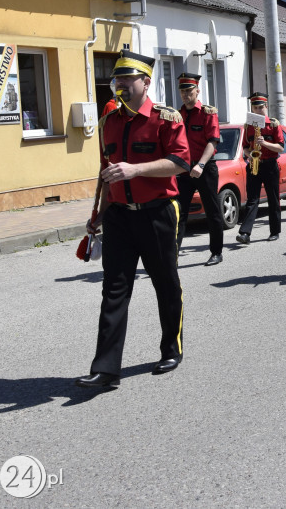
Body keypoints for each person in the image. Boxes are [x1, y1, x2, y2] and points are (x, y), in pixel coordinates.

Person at [76, 51, 190, 388]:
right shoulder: (109, 121)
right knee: (113, 290)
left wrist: (136, 169)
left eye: (128, 79)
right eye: (118, 79)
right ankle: (106, 370)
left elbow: (180, 163)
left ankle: (172, 348)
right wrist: (98, 213)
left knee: (165, 284)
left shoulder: (166, 118)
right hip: (119, 217)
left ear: (145, 82)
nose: (121, 85)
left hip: (158, 212)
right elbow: (105, 171)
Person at [175, 73, 224, 266]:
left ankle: (216, 252)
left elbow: (212, 142)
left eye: (189, 90)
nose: (186, 94)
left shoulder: (207, 113)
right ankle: (173, 255)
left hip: (205, 166)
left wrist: (201, 164)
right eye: (183, 91)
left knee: (212, 210)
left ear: (197, 90)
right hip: (184, 168)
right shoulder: (178, 114)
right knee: (179, 212)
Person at [236, 93, 285, 244]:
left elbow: (280, 148)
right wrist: (250, 154)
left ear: (266, 107)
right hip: (254, 164)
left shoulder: (274, 124)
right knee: (252, 200)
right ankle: (245, 233)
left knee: (273, 199)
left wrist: (264, 143)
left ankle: (275, 231)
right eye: (255, 108)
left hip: (270, 164)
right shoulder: (248, 125)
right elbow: (245, 147)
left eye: (260, 107)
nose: (258, 110)